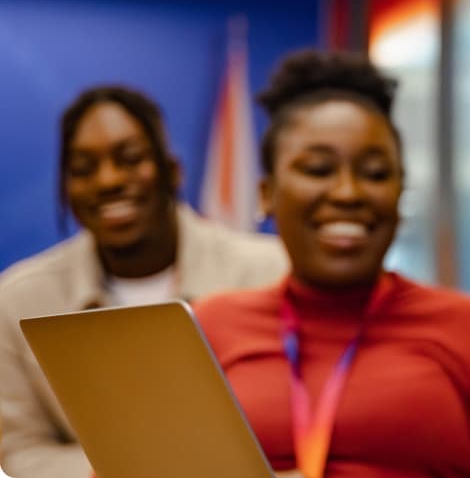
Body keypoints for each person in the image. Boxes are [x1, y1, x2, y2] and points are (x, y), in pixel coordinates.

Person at [195, 50, 470, 478]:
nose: (349, 193)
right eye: (318, 169)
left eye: (375, 173)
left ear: (399, 195)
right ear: (266, 193)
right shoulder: (208, 330)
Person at [0, 86, 287, 478]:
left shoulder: (269, 271)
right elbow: (19, 450)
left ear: (172, 171)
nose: (108, 181)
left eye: (130, 159)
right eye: (83, 169)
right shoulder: (19, 299)